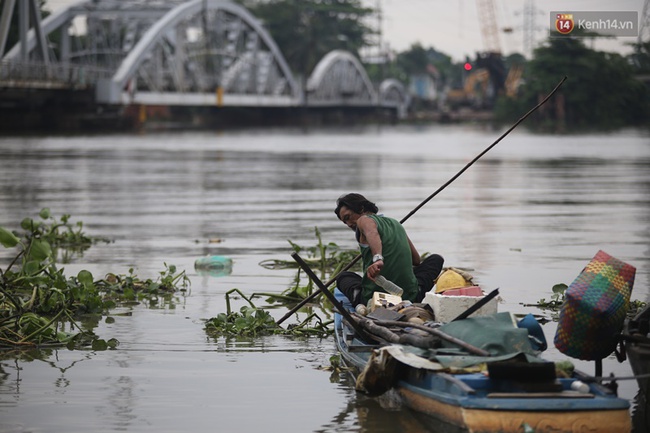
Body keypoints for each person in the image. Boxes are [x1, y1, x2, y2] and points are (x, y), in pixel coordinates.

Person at [334, 193, 444, 307]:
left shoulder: (364, 220)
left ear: (361, 209)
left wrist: (378, 259)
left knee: (343, 277)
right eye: (345, 222)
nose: (349, 224)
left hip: (375, 299)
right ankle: (417, 290)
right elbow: (416, 260)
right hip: (410, 295)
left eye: (348, 217)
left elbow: (372, 232)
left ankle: (360, 300)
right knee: (436, 259)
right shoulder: (396, 224)